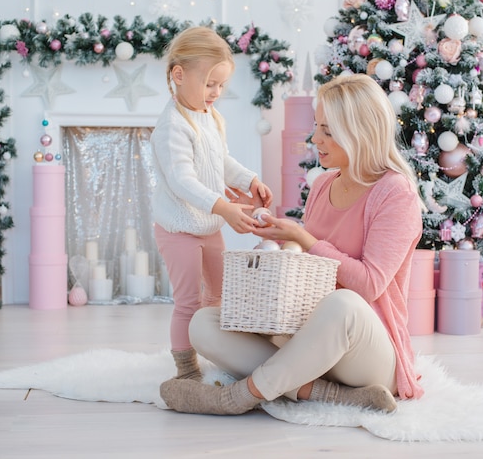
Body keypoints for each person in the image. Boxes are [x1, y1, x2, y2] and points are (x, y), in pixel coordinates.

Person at [159, 73, 425, 415]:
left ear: (360, 132)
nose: (316, 138)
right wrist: (278, 237)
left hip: (366, 352)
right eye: (318, 126)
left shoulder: (395, 192)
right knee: (203, 323)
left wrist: (302, 237)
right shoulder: (323, 184)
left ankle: (237, 397)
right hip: (308, 341)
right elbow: (309, 262)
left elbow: (369, 285)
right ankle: (329, 394)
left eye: (328, 131)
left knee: (342, 304)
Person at [150, 26, 273, 382]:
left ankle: (216, 351)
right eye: (209, 84)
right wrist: (222, 206)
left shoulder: (209, 118)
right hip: (178, 230)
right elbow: (181, 180)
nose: (216, 92)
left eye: (221, 85)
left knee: (218, 297)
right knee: (188, 302)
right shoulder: (172, 126)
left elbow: (222, 161)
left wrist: (249, 179)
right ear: (178, 75)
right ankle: (186, 368)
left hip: (208, 227)